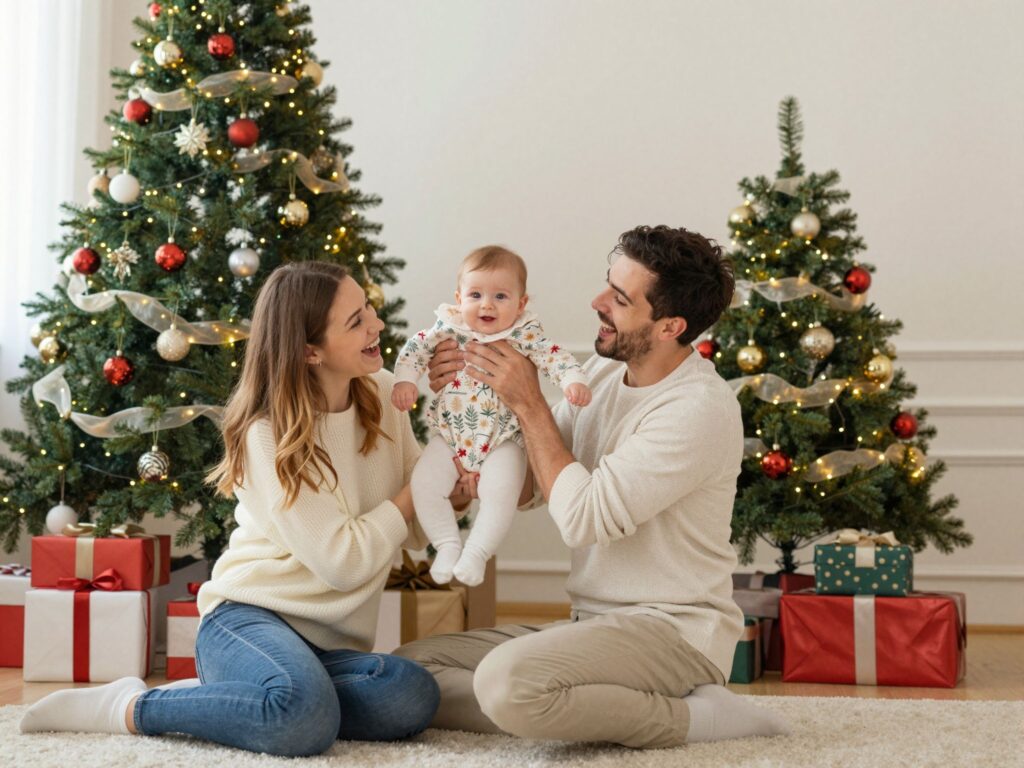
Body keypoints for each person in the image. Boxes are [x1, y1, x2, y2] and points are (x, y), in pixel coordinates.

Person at [21, 261, 449, 756]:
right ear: (310, 350)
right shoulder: (266, 433)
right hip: (247, 620)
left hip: (331, 646)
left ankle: (258, 699)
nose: (376, 323)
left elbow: (412, 528)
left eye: (368, 309)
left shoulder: (381, 393)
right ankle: (133, 708)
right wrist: (421, 486)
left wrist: (457, 480)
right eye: (356, 321)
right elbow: (343, 562)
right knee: (301, 721)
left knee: (409, 693)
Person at [395, 225, 790, 748]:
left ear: (670, 325)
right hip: (589, 625)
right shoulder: (603, 376)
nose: (597, 302)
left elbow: (583, 519)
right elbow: (535, 484)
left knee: (507, 684)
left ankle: (700, 719)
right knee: (405, 672)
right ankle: (552, 696)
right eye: (608, 285)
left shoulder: (697, 410)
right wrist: (473, 398)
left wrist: (528, 402)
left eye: (620, 299)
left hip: (671, 631)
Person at [391, 245, 591, 587]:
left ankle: (477, 552)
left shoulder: (524, 334)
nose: (487, 304)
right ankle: (447, 545)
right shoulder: (448, 327)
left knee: (502, 493)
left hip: (503, 440)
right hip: (451, 437)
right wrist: (405, 380)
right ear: (459, 297)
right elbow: (414, 349)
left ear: (521, 303)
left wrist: (573, 380)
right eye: (476, 294)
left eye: (500, 296)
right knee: (424, 483)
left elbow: (555, 357)